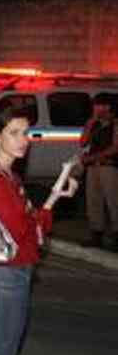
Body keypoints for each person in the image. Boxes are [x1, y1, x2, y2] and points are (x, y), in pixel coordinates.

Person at [0, 106, 77, 355]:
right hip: (3, 272)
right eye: (13, 133)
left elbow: (31, 226)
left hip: (15, 269)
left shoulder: (10, 177)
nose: (22, 140)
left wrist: (54, 197)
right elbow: (21, 230)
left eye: (25, 133)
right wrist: (36, 220)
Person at [79, 94, 118, 250]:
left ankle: (116, 236)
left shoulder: (115, 124)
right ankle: (97, 234)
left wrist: (92, 157)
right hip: (93, 167)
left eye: (98, 105)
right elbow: (82, 142)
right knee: (94, 201)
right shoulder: (95, 124)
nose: (95, 108)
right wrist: (91, 122)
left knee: (113, 201)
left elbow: (115, 148)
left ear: (107, 106)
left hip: (109, 167)